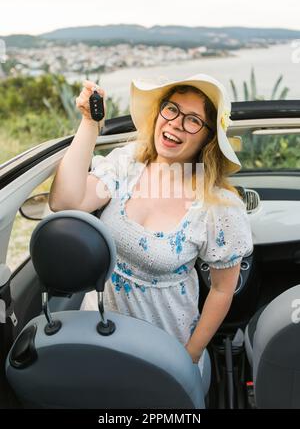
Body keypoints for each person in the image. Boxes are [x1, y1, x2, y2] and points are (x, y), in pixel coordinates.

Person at [49, 73, 253, 376]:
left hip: (164, 347)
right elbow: (66, 201)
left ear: (208, 137)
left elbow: (222, 291)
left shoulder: (218, 206)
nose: (175, 123)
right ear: (159, 113)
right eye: (171, 109)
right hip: (100, 329)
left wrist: (190, 355)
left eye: (193, 120)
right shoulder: (127, 164)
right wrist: (90, 124)